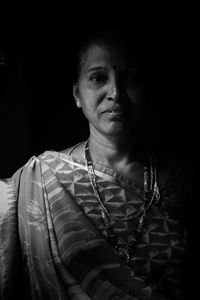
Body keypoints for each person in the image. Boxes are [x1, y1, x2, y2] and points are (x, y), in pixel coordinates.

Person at [0, 27, 192, 300]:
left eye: (130, 78)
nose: (116, 92)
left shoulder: (183, 182)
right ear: (77, 94)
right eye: (98, 78)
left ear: (147, 88)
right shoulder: (41, 177)